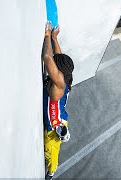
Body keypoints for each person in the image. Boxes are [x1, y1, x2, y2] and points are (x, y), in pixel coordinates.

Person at [42, 22, 74, 179]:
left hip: (54, 125)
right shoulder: (65, 77)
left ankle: (51, 171)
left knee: (50, 151)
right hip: (60, 117)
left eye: (56, 66)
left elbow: (47, 57)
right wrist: (54, 38)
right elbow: (57, 57)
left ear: (58, 71)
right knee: (52, 149)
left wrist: (47, 35)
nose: (54, 65)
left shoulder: (59, 82)